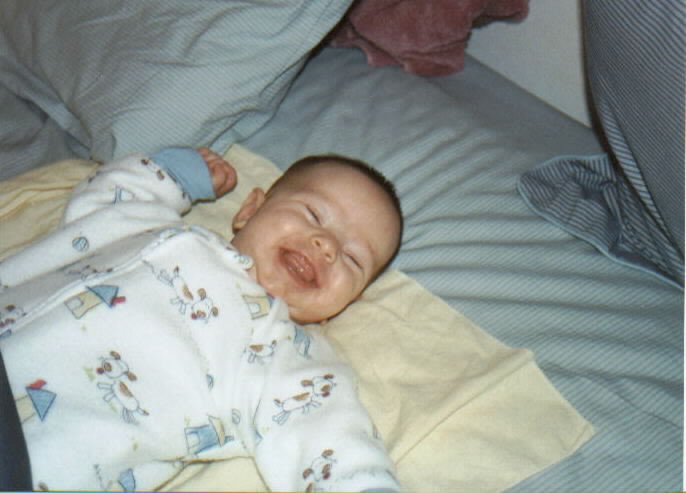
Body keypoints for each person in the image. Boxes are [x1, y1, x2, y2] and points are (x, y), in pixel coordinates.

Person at [0, 146, 403, 492]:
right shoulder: (150, 225)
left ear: (346, 303)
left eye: (353, 259)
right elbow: (108, 198)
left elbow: (324, 431)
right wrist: (175, 175)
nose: (326, 245)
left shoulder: (279, 349)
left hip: (30, 453)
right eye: (313, 214)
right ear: (250, 210)